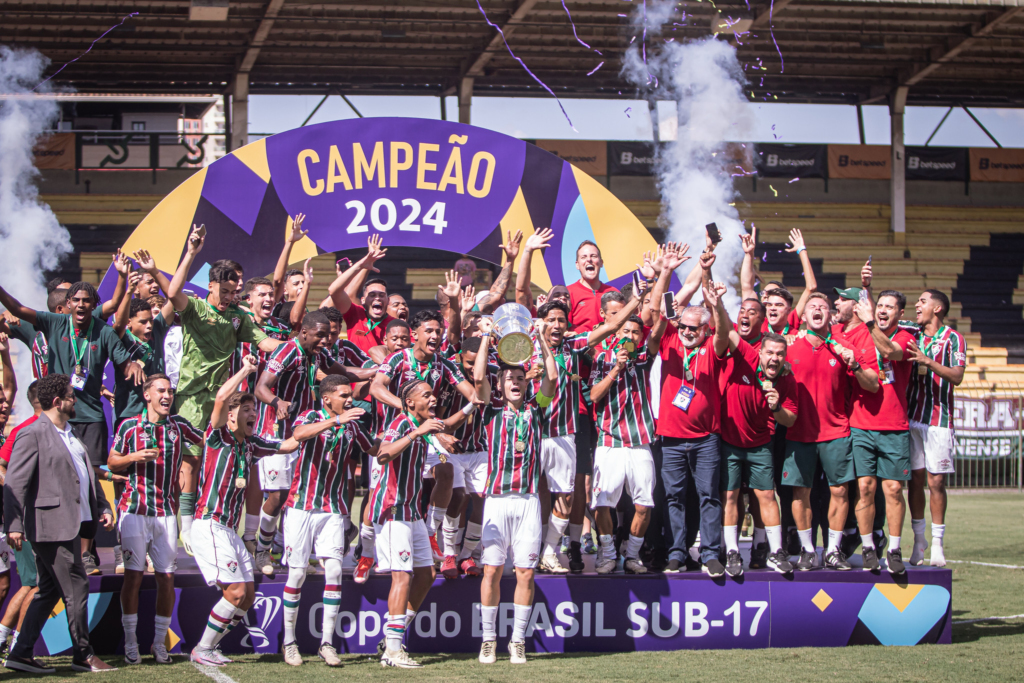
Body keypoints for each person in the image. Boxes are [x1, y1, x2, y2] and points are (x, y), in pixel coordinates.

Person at [0, 280, 135, 576]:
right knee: (58, 477)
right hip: (60, 416)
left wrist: (125, 281)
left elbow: (114, 313)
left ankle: (87, 554)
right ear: (68, 304)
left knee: (90, 478)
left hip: (92, 417)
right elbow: (16, 310)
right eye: (77, 300)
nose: (82, 305)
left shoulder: (100, 328)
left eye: (88, 301)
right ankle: (59, 546)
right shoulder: (54, 323)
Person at [165, 224, 283, 556]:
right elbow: (174, 294)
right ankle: (186, 529)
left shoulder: (238, 317)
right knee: (190, 458)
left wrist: (294, 348)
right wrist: (191, 253)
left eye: (237, 292)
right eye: (228, 291)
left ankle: (225, 526)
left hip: (226, 399)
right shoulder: (196, 308)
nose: (234, 297)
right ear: (212, 285)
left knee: (225, 458)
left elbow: (264, 341)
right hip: (192, 395)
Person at [189, 356, 298, 667]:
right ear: (231, 418)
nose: (253, 414)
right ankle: (202, 648)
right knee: (236, 592)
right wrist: (247, 371)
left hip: (229, 530)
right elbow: (222, 397)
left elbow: (288, 445)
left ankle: (211, 646)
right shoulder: (218, 436)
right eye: (247, 411)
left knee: (248, 595)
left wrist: (328, 423)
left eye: (255, 410)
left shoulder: (251, 445)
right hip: (209, 524)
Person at [4, 373, 115, 674]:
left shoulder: (70, 432)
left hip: (74, 522)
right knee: (77, 586)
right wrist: (14, 523)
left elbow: (83, 475)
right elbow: (15, 482)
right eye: (71, 395)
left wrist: (102, 505)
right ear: (57, 401)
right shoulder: (32, 433)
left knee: (49, 589)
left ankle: (21, 653)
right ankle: (83, 655)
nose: (75, 399)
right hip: (50, 524)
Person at [251, 310, 370, 576]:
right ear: (304, 332)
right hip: (277, 431)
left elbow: (345, 373)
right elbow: (261, 387)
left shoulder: (317, 355)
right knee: (280, 494)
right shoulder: (286, 352)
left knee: (300, 491)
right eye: (320, 335)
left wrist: (376, 371)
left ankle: (290, 551)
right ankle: (262, 548)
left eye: (328, 335)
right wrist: (277, 401)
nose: (325, 340)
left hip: (307, 431)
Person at [586, 246, 678, 574]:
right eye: (625, 330)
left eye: (635, 332)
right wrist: (614, 370)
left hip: (639, 441)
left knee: (644, 505)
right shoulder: (601, 358)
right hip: (609, 442)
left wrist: (662, 274)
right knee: (601, 503)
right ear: (617, 333)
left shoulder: (643, 358)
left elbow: (657, 320)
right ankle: (607, 552)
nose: (630, 335)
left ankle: (632, 555)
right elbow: (594, 396)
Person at [472, 317, 556, 665]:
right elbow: (477, 378)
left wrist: (539, 336)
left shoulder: (536, 410)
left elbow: (551, 377)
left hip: (528, 503)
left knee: (526, 572)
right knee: (491, 570)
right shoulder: (490, 412)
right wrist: (487, 338)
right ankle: (489, 640)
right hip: (496, 501)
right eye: (510, 379)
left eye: (521, 378)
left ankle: (517, 641)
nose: (516, 383)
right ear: (501, 385)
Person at [371, 380, 470, 669]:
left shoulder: (426, 426)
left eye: (433, 393)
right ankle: (392, 650)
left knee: (426, 574)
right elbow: (382, 454)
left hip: (413, 512)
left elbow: (439, 459)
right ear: (410, 402)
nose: (434, 397)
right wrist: (417, 433)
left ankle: (393, 635)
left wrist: (439, 443)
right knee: (402, 577)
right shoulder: (402, 423)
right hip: (393, 510)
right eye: (426, 394)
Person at [279, 375, 376, 667]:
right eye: (344, 394)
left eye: (350, 394)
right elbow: (299, 435)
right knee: (296, 574)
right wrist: (336, 421)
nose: (350, 399)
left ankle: (327, 643)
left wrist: (413, 435)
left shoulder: (353, 426)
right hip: (300, 508)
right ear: (327, 399)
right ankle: (289, 642)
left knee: (334, 572)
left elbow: (373, 448)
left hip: (334, 510)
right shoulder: (312, 415)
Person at [107, 374, 204, 664]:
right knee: (134, 577)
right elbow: (112, 461)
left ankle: (159, 643)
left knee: (166, 578)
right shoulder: (129, 426)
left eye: (170, 391)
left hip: (165, 514)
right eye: (160, 391)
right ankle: (131, 642)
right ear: (147, 395)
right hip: (134, 511)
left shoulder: (179, 426)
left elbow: (210, 441)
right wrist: (133, 457)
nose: (167, 396)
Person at [783, 293, 879, 571]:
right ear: (803, 317)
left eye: (823, 307)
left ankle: (834, 550)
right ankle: (807, 549)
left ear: (830, 316)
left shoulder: (843, 347)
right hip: (799, 433)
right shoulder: (789, 347)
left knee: (839, 491)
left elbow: (872, 384)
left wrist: (854, 363)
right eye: (812, 307)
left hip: (836, 431)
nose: (817, 310)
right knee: (801, 493)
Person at [370, 310, 476, 561]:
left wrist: (477, 390)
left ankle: (430, 532)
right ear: (414, 334)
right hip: (395, 434)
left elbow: (472, 393)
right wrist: (407, 411)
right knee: (378, 492)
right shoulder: (398, 359)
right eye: (429, 331)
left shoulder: (445, 363)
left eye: (438, 331)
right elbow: (376, 387)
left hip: (427, 434)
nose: (435, 335)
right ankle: (366, 552)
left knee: (448, 471)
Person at [711, 281, 798, 576]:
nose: (774, 359)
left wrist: (776, 407)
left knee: (766, 496)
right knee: (731, 496)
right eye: (770, 353)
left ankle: (775, 552)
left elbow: (790, 419)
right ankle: (733, 552)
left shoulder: (787, 379)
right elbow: (729, 330)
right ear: (760, 352)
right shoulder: (748, 355)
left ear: (785, 357)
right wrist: (718, 302)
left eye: (779, 355)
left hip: (761, 443)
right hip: (731, 441)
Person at [656, 252, 730, 575]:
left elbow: (724, 333)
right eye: (684, 326)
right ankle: (677, 552)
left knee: (708, 496)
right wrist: (667, 273)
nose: (687, 332)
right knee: (673, 498)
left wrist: (712, 288)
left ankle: (710, 553)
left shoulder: (712, 346)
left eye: (693, 328)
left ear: (704, 328)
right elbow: (658, 311)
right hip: (671, 438)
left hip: (705, 439)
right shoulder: (669, 339)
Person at [850, 288, 916, 574]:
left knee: (893, 488)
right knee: (865, 488)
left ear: (900, 313)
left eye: (890, 307)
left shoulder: (906, 337)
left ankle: (895, 549)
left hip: (893, 425)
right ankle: (867, 548)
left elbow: (889, 351)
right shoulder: (858, 334)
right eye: (881, 305)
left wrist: (868, 324)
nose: (883, 310)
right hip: (861, 424)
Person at [905, 289, 965, 568]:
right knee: (914, 481)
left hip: (939, 420)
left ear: (938, 308)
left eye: (923, 301)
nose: (917, 305)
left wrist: (928, 361)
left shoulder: (953, 339)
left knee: (936, 482)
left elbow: (958, 376)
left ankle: (938, 544)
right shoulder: (910, 332)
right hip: (911, 417)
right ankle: (919, 540)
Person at [352, 318, 412, 584]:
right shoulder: (374, 365)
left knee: (412, 493)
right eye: (394, 338)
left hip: (413, 440)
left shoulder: (415, 365)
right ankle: (366, 554)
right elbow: (356, 392)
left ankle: (410, 547)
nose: (399, 343)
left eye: (404, 339)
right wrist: (375, 375)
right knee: (376, 497)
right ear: (385, 341)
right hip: (381, 440)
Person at [437, 336, 495, 578]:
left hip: (479, 447)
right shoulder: (449, 378)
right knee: (458, 496)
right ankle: (449, 553)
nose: (473, 368)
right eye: (469, 363)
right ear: (460, 357)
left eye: (476, 363)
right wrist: (440, 436)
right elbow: (437, 415)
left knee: (483, 499)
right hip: (451, 447)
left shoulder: (493, 374)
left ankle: (468, 554)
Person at [0, 382, 41, 658]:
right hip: (22, 519)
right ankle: (17, 647)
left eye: (6, 402)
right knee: (35, 582)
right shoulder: (25, 430)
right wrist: (20, 502)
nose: (6, 405)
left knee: (17, 583)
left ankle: (8, 641)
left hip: (12, 522)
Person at [740, 227, 817, 334]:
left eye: (772, 293)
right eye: (764, 293)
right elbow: (746, 286)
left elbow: (811, 287)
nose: (766, 296)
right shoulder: (757, 320)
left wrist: (801, 250)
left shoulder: (790, 321)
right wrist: (749, 254)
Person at [327, 236, 394, 353]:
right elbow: (333, 290)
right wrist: (361, 265)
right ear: (362, 300)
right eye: (372, 295)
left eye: (381, 295)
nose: (377, 298)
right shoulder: (355, 314)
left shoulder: (396, 326)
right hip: (355, 371)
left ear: (388, 300)